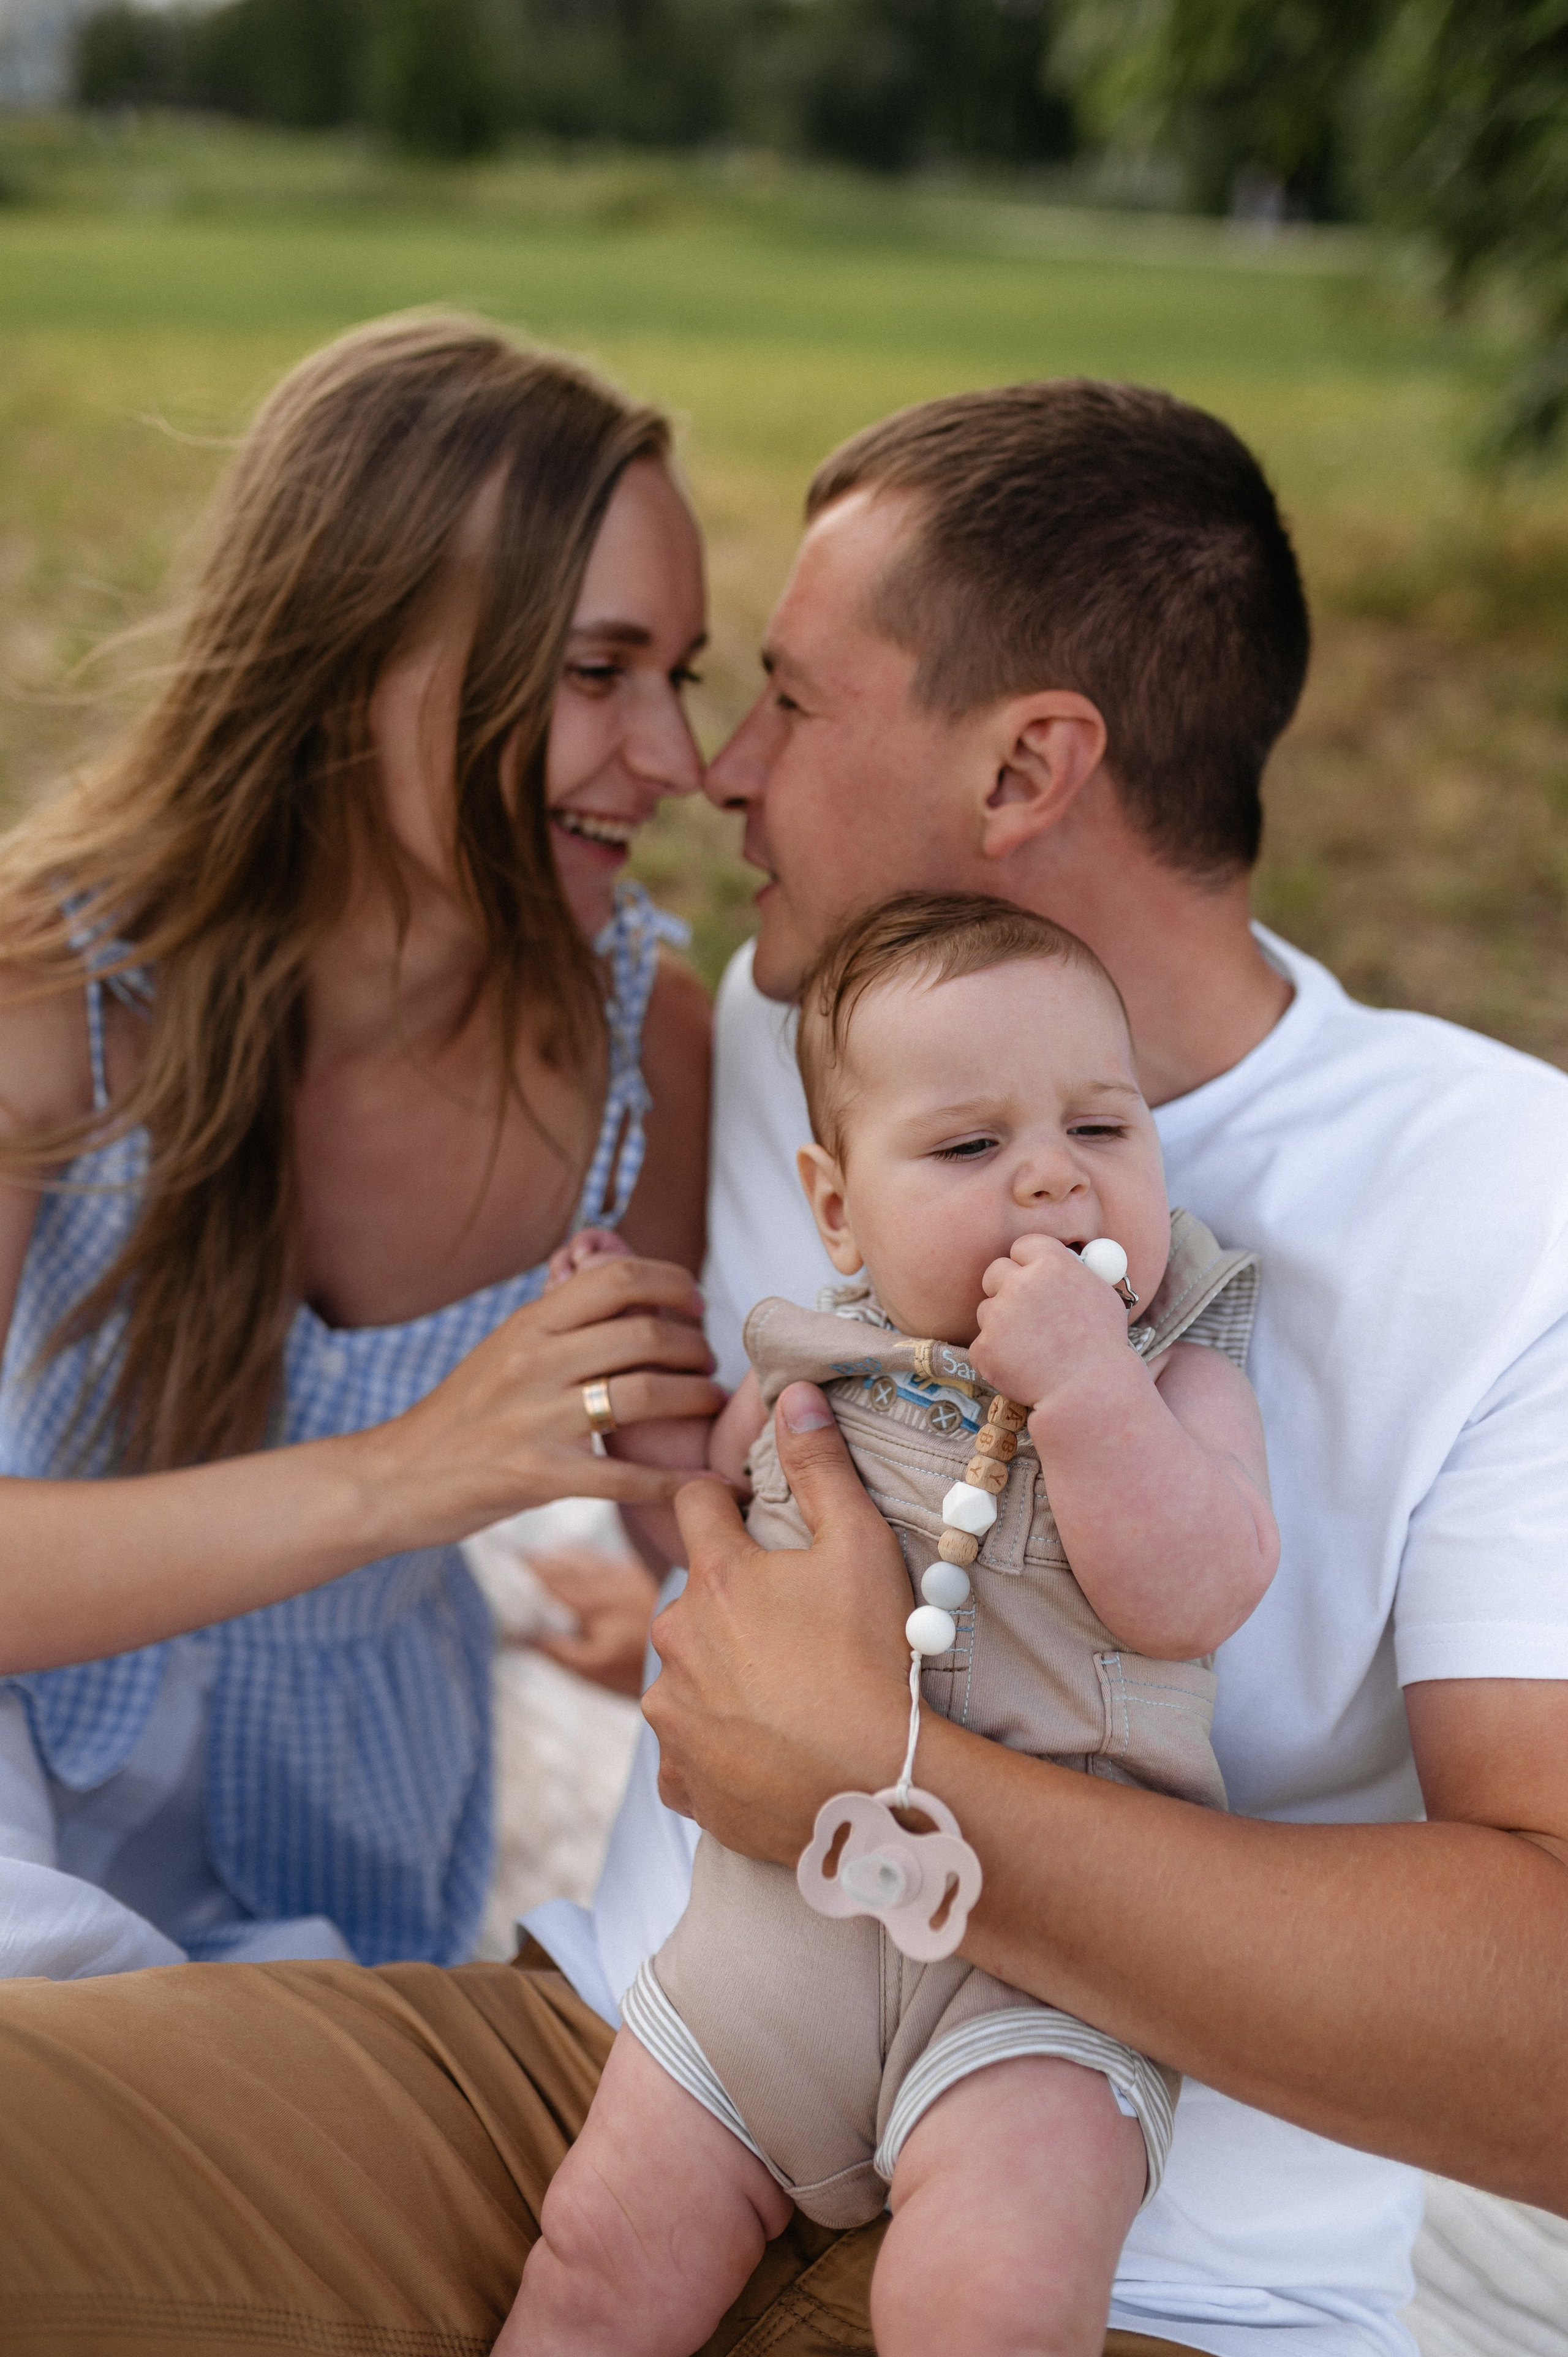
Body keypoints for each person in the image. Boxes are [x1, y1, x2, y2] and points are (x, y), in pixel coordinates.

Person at [2, 378, 1566, 2357]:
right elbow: (340, 951)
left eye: (790, 702)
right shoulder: (759, 1038)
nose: (713, 769)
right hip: (606, 2069)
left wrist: (888, 1768)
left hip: (1130, 2252)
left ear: (1026, 768)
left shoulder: (1514, 1208)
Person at [0, 312, 724, 1977]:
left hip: (357, 1827)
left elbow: (670, 1508)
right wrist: (411, 1476)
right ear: (355, 658)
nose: (675, 759)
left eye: (679, 676)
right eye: (599, 671)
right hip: (26, 1762)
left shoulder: (641, 1059)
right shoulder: (54, 995)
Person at [511, 891, 1277, 2357]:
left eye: (1101, 1131)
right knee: (596, 2260)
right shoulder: (815, 1356)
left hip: (1041, 1968)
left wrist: (1086, 1388)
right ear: (838, 1205)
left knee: (982, 2301)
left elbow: (1197, 1590)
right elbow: (703, 1514)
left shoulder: (1175, 1371)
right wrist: (618, 1367)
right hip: (762, 1945)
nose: (1052, 1182)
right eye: (970, 1145)